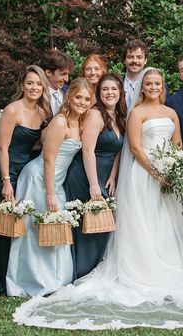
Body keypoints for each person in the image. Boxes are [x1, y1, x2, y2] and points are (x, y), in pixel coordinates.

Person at [13, 68, 183, 330]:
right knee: (145, 222)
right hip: (143, 176)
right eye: (149, 83)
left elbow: (177, 144)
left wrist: (174, 168)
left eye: (157, 83)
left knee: (169, 223)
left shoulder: (171, 113)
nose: (153, 87)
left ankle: (175, 264)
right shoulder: (137, 113)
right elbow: (133, 147)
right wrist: (155, 172)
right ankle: (143, 266)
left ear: (162, 86)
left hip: (168, 177)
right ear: (142, 87)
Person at [6, 78, 94, 296]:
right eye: (78, 97)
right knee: (36, 229)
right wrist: (51, 193)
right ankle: (29, 282)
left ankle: (56, 281)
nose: (82, 102)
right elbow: (48, 159)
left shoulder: (79, 123)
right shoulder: (61, 122)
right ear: (69, 97)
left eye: (86, 99)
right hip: (39, 179)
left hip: (55, 181)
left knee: (56, 227)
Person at [0, 65, 51, 295]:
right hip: (7, 170)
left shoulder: (43, 112)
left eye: (38, 83)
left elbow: (34, 143)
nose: (34, 87)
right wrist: (6, 181)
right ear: (22, 86)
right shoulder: (12, 110)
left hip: (26, 170)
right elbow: (3, 147)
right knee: (3, 225)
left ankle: (16, 275)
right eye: (30, 83)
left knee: (21, 225)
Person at [64, 73, 125, 279]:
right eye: (105, 89)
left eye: (114, 89)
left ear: (120, 92)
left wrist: (114, 174)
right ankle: (81, 272)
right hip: (85, 176)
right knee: (86, 227)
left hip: (105, 176)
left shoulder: (120, 115)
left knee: (102, 226)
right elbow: (87, 150)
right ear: (99, 93)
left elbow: (118, 149)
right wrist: (93, 184)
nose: (110, 93)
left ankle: (95, 270)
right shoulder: (95, 114)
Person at [40, 50, 74, 116]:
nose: (67, 79)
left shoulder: (70, 91)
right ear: (48, 72)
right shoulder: (37, 95)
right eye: (63, 74)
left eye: (67, 74)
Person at [122, 38, 149, 110]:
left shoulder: (156, 87)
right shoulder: (116, 84)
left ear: (145, 60)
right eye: (130, 57)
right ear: (124, 60)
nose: (134, 61)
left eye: (139, 57)